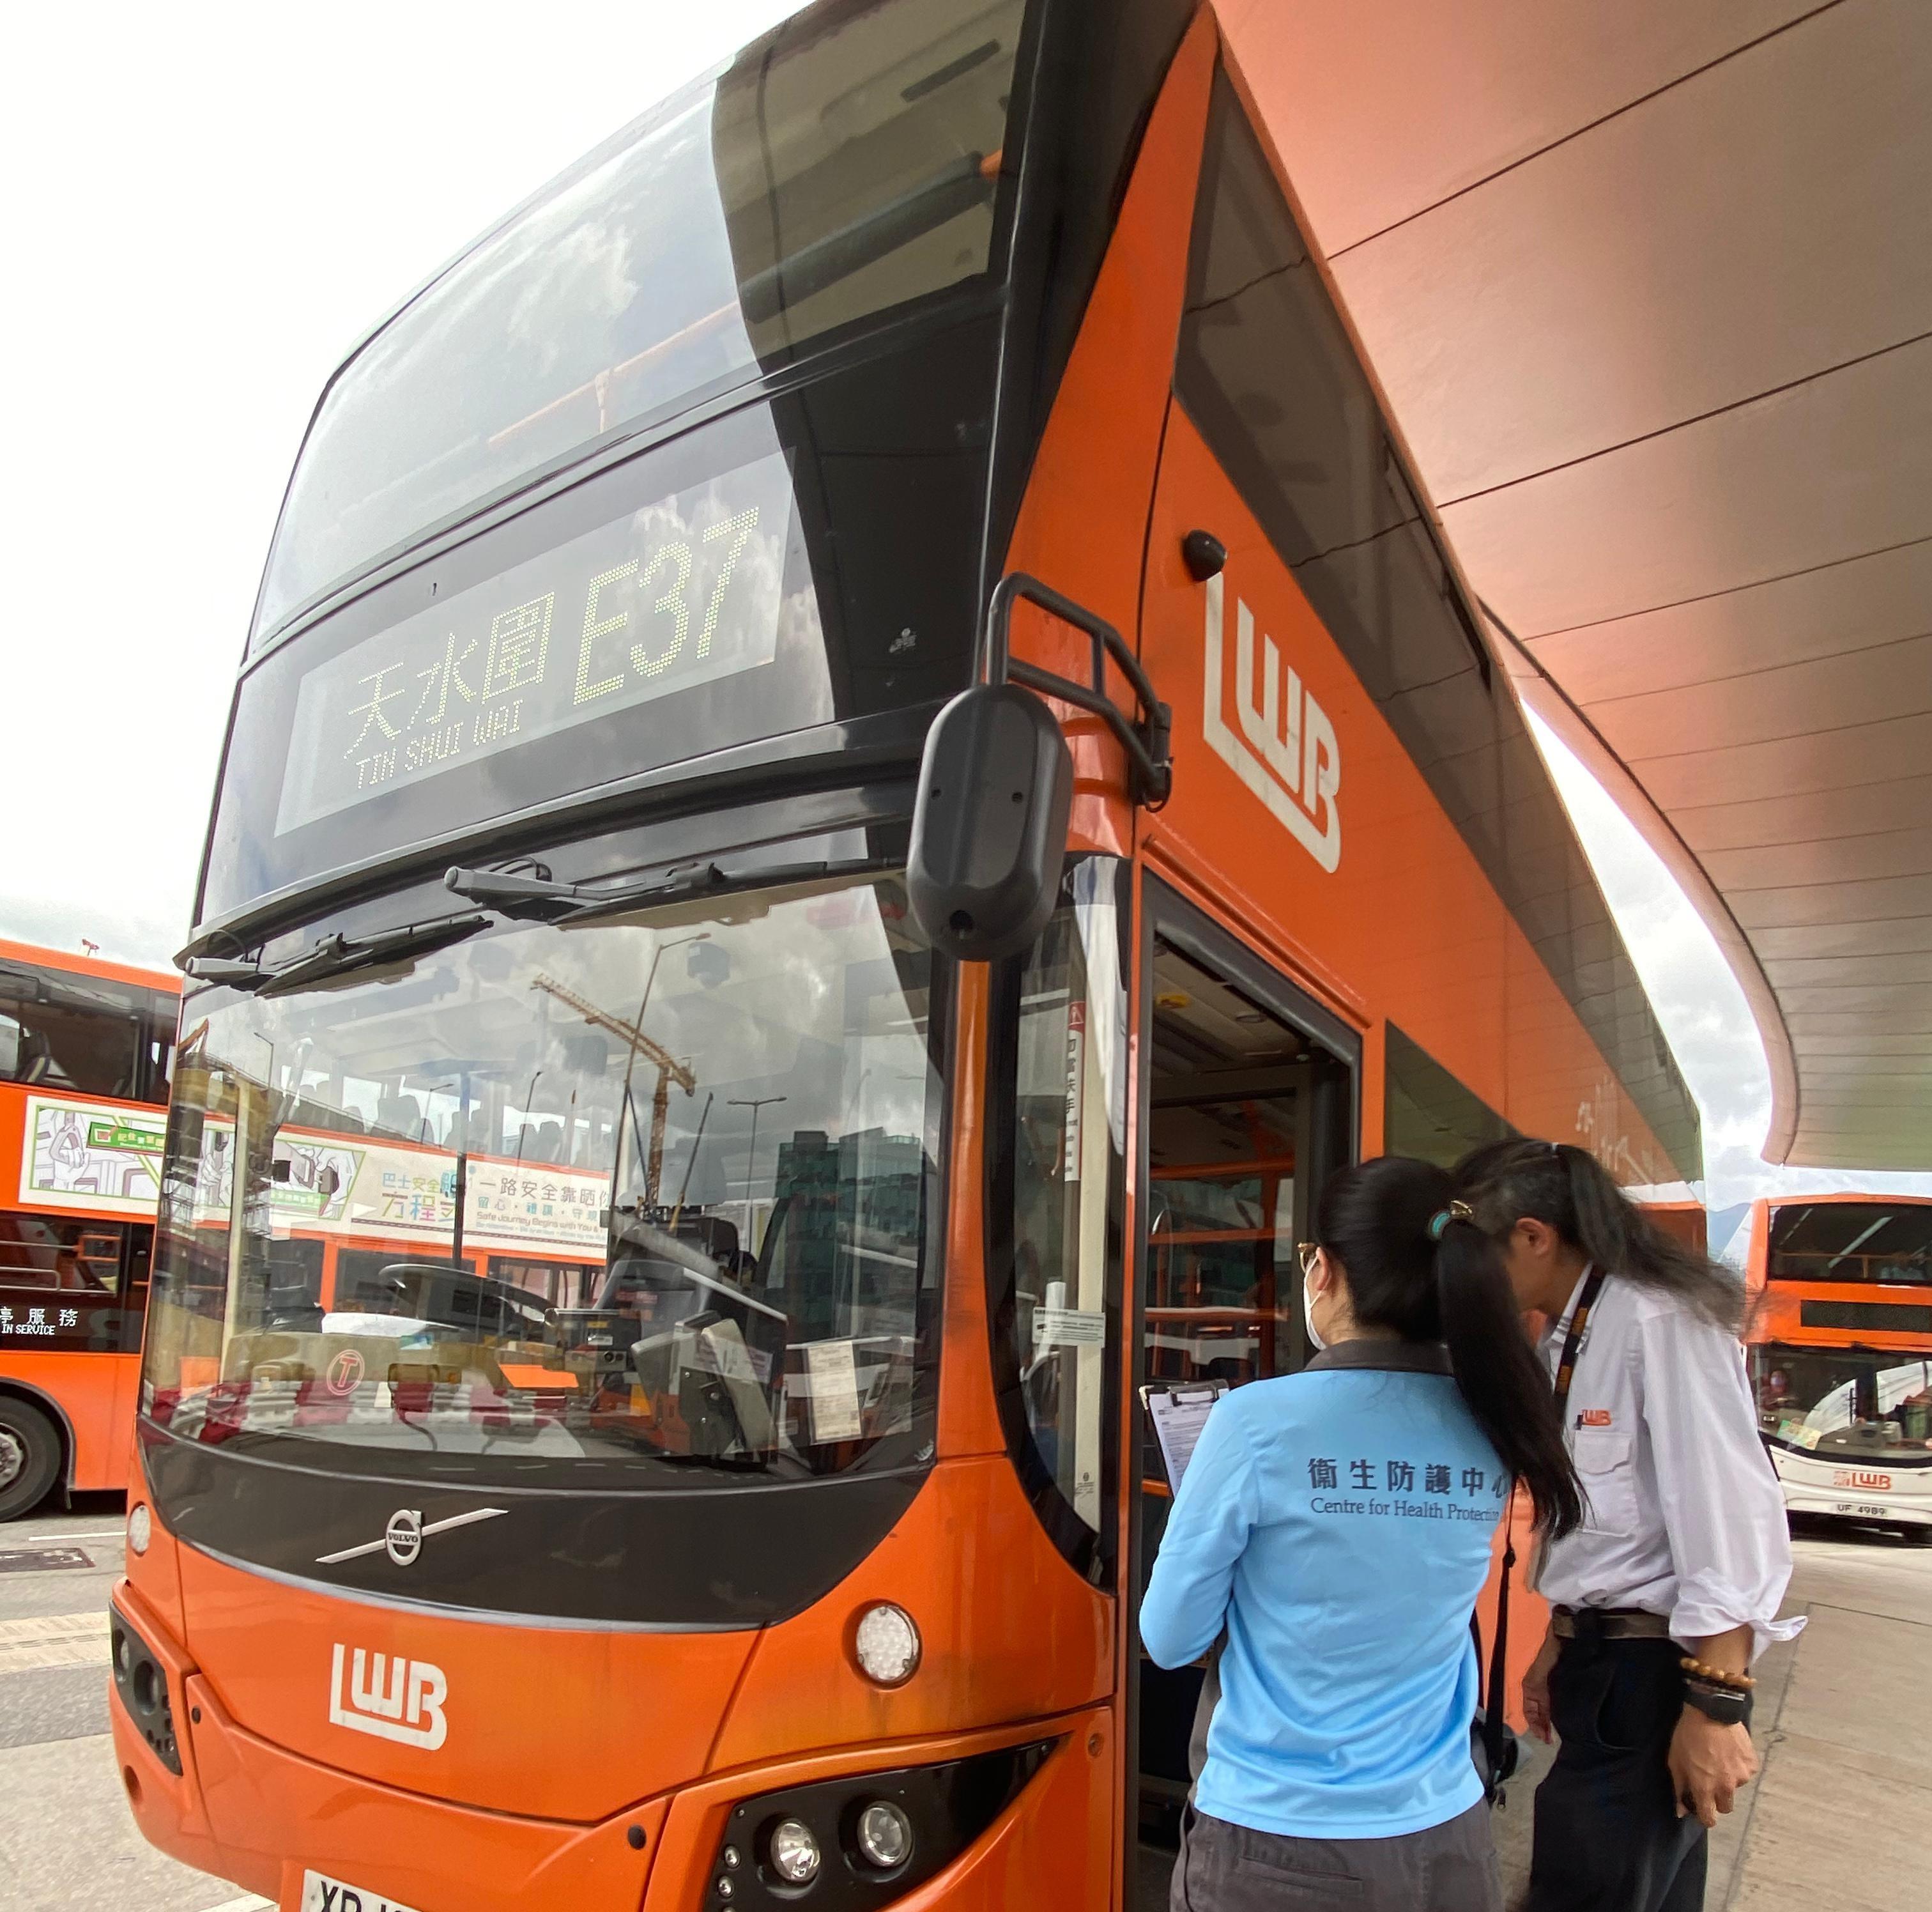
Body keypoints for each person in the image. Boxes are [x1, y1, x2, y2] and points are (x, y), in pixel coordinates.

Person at [1141, 1155, 1583, 1912]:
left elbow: (1171, 1636)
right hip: (1448, 1834)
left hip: (1278, 1842)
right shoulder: (1494, 1422)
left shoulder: (1255, 1421)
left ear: (1329, 1270)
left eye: (1311, 1255)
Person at [1452, 1139, 1802, 1912]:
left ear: (1535, 1236)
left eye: (1481, 1258)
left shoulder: (1657, 1321)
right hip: (1604, 1666)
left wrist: (1717, 1705)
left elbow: (1729, 1516)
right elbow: (1604, 1521)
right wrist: (1556, 1641)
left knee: (1590, 1889)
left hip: (1650, 1681)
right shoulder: (1573, 1332)